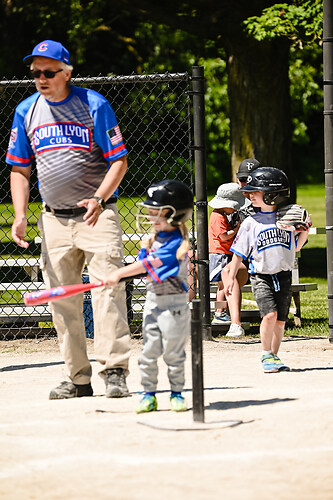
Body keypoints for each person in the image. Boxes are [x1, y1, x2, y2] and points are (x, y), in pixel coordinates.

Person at [6, 40, 131, 399]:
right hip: (53, 221)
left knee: (108, 291)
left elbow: (118, 161)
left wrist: (99, 197)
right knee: (62, 301)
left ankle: (115, 372)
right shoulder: (26, 111)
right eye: (35, 73)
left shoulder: (93, 105)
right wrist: (20, 215)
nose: (40, 79)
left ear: (66, 73)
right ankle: (77, 379)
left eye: (48, 72)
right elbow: (19, 169)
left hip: (97, 216)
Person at [104, 180, 193, 414]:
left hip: (174, 305)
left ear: (175, 214)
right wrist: (119, 277)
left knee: (173, 353)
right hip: (153, 302)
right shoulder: (151, 241)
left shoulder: (178, 243)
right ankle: (148, 394)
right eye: (150, 211)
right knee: (148, 352)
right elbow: (144, 269)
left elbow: (148, 264)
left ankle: (176, 394)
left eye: (156, 212)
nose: (150, 216)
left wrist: (119, 273)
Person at [224, 167, 309, 372]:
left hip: (284, 274)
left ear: (271, 195)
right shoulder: (250, 223)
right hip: (261, 276)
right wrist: (230, 276)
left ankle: (275, 356)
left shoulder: (287, 219)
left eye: (256, 192)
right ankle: (265, 354)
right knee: (269, 315)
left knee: (280, 321)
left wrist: (304, 230)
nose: (250, 195)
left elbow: (296, 246)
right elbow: (238, 253)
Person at [208, 183, 249, 336]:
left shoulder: (224, 215)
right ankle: (219, 312)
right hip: (220, 255)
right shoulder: (217, 217)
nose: (235, 209)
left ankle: (221, 311)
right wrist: (237, 230)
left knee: (224, 285)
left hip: (225, 253)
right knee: (223, 286)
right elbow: (224, 236)